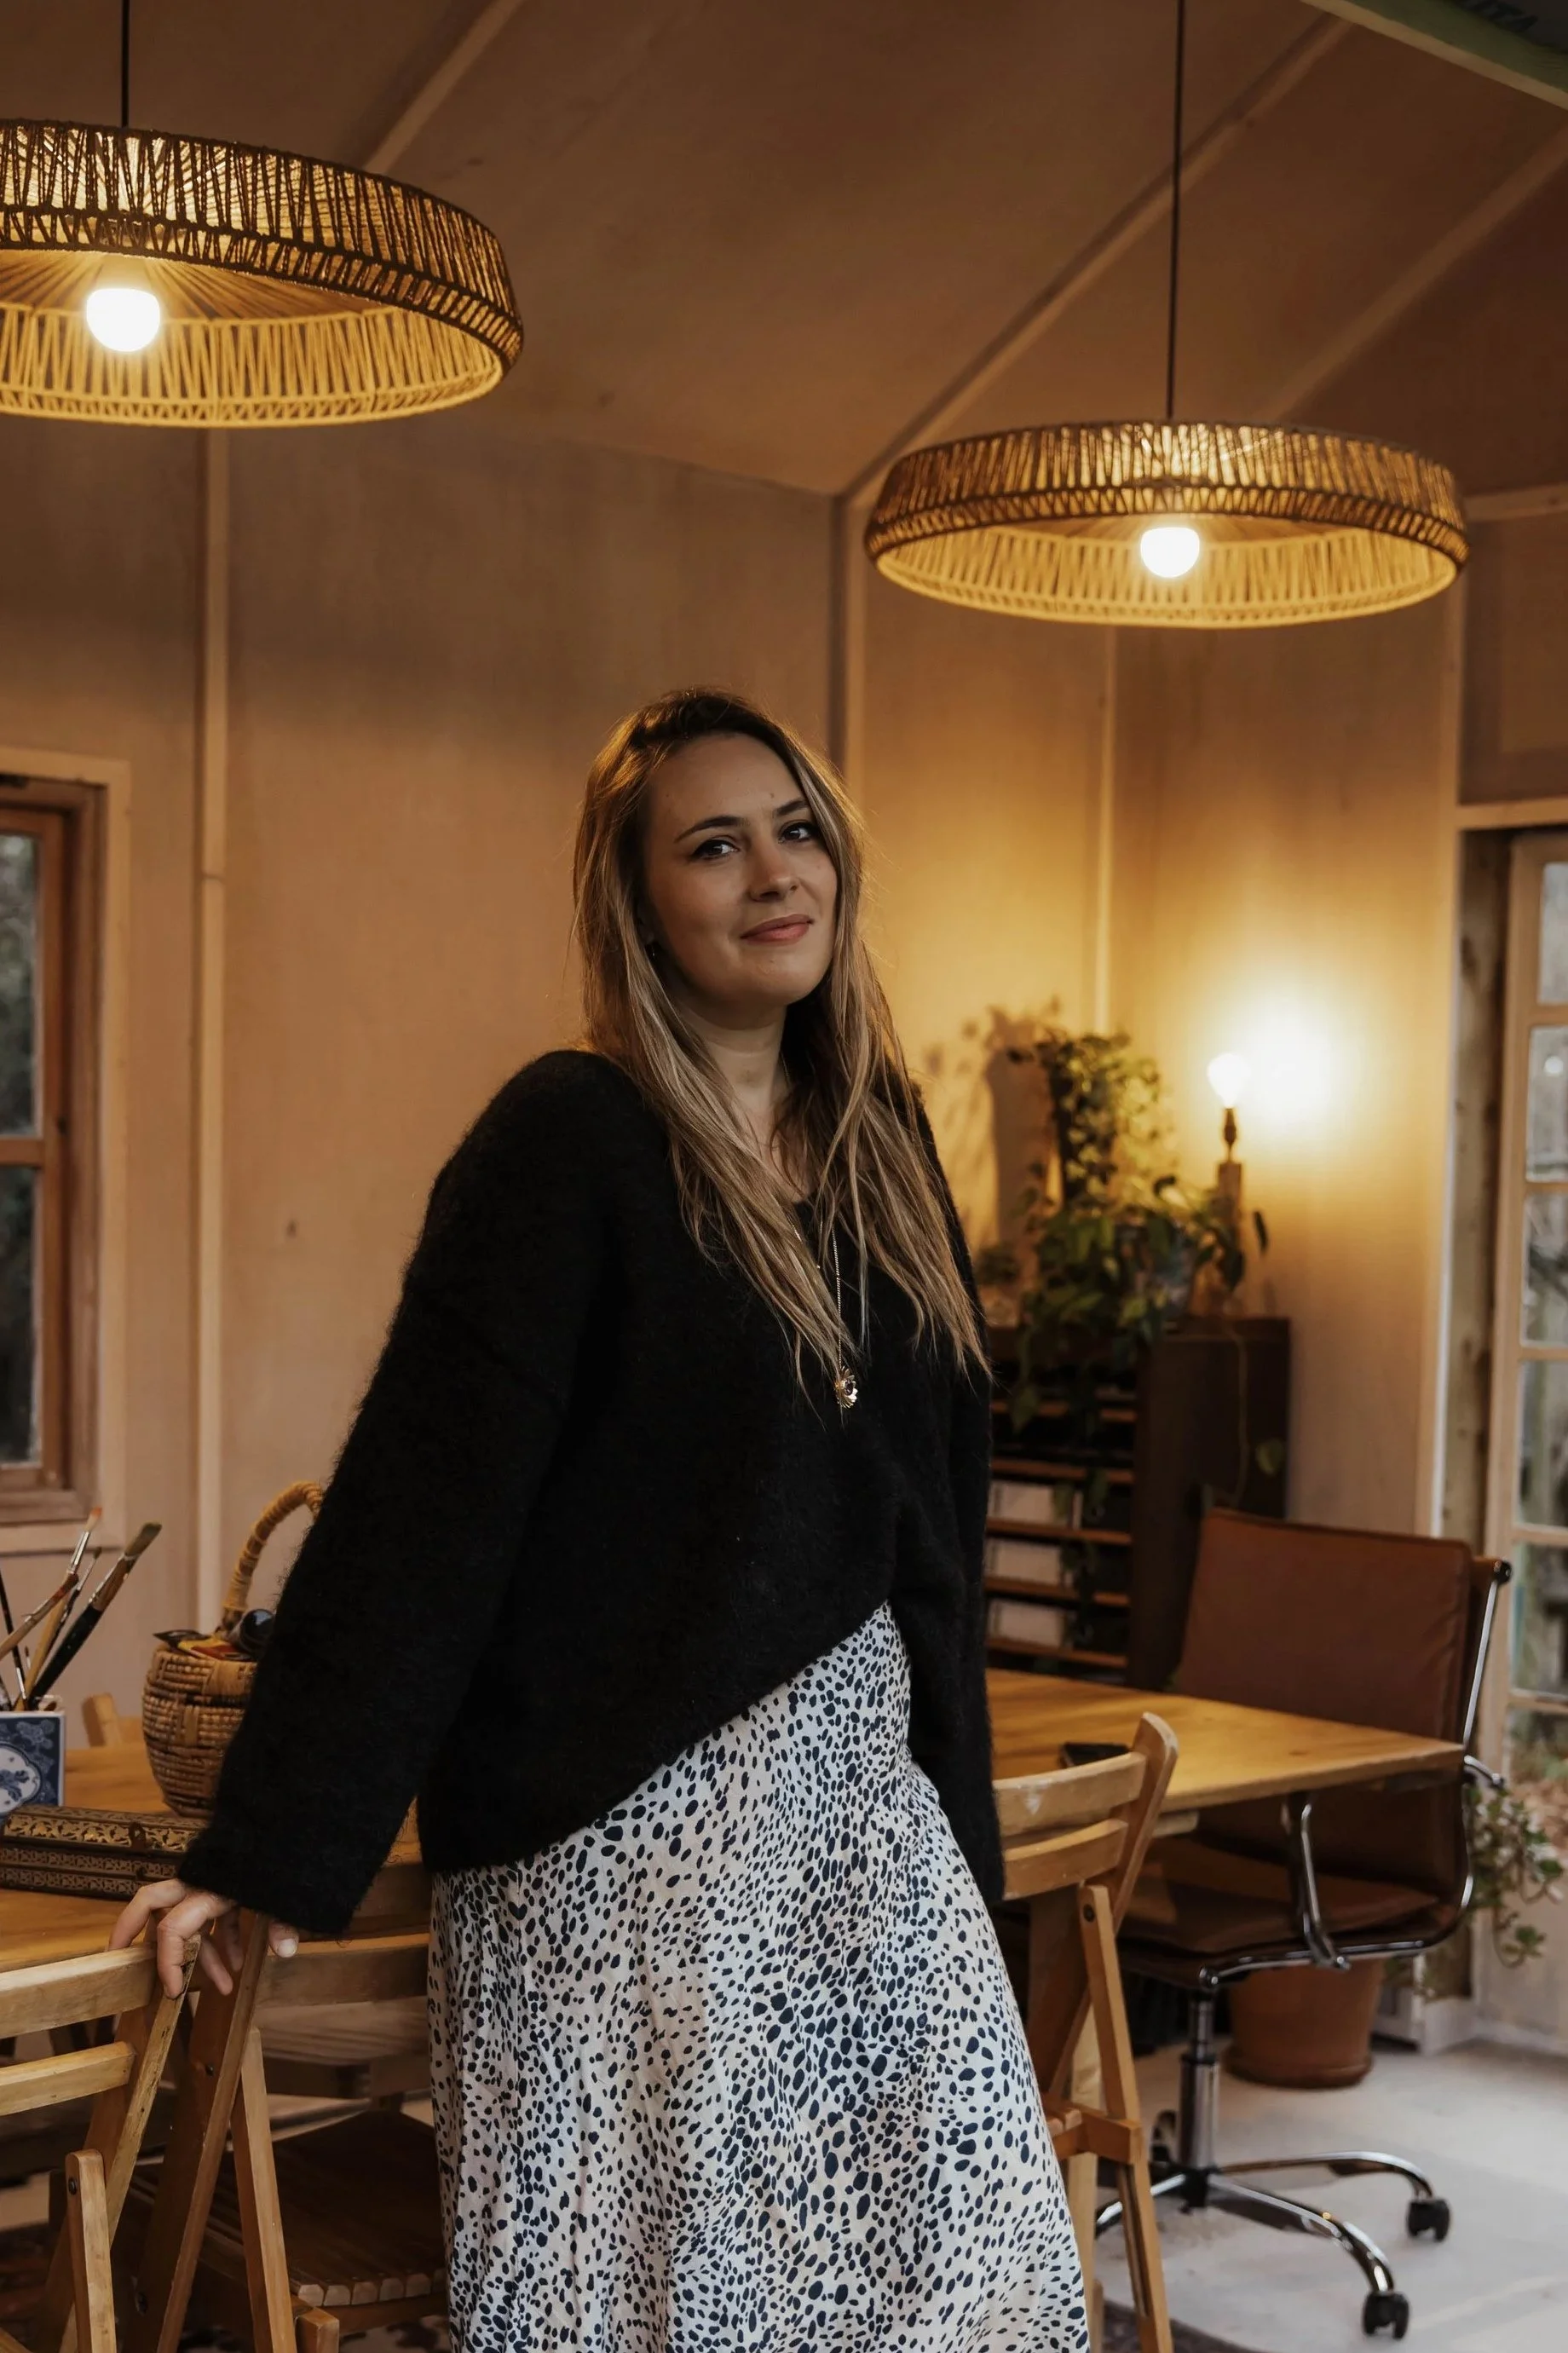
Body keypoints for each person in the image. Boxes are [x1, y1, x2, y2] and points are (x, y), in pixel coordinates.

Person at [112, 688, 1088, 2350]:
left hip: (860, 1849)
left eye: (795, 831)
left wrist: (962, 1847)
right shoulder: (564, 1144)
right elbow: (424, 1509)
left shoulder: (874, 1139)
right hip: (625, 1869)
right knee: (672, 2320)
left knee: (974, 2300)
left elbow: (929, 1524)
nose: (772, 873)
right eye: (713, 845)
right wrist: (263, 1850)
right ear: (636, 899)